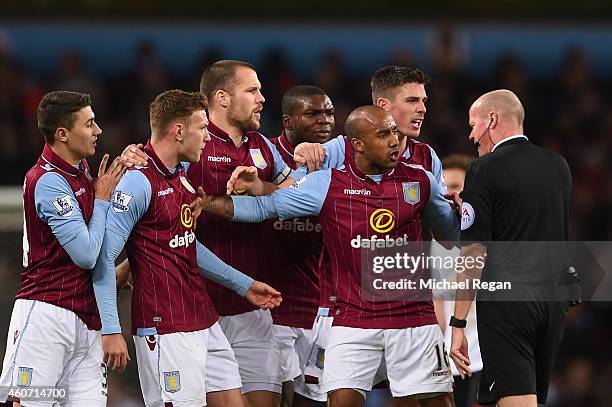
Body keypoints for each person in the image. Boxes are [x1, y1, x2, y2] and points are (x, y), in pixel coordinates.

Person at [202, 105, 459, 407]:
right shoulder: (327, 184)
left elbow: (451, 235)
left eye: (393, 132)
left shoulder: (422, 181)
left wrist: (460, 212)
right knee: (340, 401)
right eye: (383, 134)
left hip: (414, 319)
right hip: (353, 319)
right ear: (358, 145)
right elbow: (263, 208)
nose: (394, 140)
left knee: (438, 403)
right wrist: (205, 202)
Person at [92, 90, 282, 407]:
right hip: (165, 327)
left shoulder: (182, 176)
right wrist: (111, 329)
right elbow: (103, 258)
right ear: (179, 131)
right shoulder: (137, 182)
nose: (208, 138)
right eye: (203, 128)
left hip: (204, 318)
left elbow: (186, 245)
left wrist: (243, 284)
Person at [0, 91, 129, 407]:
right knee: (31, 404)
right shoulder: (47, 181)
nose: (98, 131)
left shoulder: (81, 168)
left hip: (87, 321)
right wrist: (101, 199)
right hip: (47, 316)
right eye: (89, 124)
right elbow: (85, 254)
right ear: (62, 134)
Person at [449, 89, 572, 407]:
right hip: (552, 304)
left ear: (492, 119)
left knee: (517, 401)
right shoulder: (558, 166)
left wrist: (458, 324)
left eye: (474, 125)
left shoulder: (483, 168)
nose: (472, 135)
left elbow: (474, 251)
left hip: (507, 304)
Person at [187, 60, 300, 406]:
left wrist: (260, 186)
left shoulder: (264, 148)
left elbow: (295, 196)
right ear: (221, 97)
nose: (262, 98)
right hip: (198, 308)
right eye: (252, 91)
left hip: (252, 308)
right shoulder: (193, 147)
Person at [269, 85, 334, 407]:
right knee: (279, 398)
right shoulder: (266, 157)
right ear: (288, 121)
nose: (324, 121)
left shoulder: (341, 164)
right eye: (312, 113)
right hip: (271, 306)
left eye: (329, 113)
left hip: (322, 307)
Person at [294, 66, 445, 194]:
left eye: (423, 101)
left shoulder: (427, 157)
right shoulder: (338, 151)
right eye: (412, 100)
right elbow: (286, 193)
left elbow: (442, 220)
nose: (423, 109)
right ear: (383, 105)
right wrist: (303, 151)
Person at [431, 154, 483, 407]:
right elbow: (435, 303)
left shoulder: (491, 238)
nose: (449, 195)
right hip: (445, 359)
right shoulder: (432, 244)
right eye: (444, 189)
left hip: (486, 355)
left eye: (456, 187)